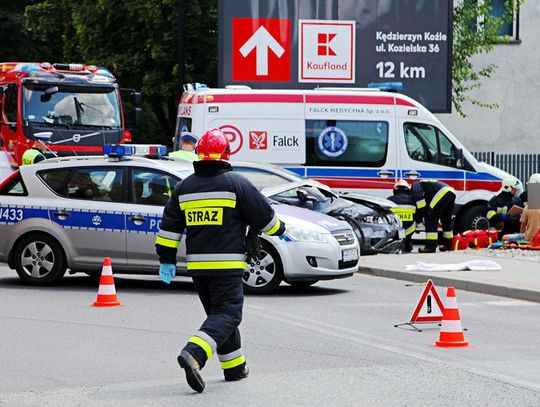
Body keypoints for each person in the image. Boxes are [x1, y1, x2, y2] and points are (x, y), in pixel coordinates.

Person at [155, 128, 286, 393]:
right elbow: (267, 220)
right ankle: (194, 354)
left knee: (219, 316)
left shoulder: (184, 187)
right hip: (226, 266)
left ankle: (234, 368)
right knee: (228, 314)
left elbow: (169, 228)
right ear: (226, 155)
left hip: (199, 268)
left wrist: (166, 259)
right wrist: (279, 229)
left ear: (199, 155)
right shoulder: (236, 183)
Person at [411, 180, 456, 253]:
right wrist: (419, 220)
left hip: (441, 193)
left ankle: (430, 247)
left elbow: (420, 201)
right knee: (446, 220)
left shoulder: (414, 185)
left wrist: (424, 216)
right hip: (451, 192)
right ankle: (448, 245)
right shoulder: (424, 185)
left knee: (430, 218)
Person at [387, 179, 416, 253]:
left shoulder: (389, 200)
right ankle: (407, 243)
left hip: (396, 227)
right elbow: (418, 215)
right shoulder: (413, 200)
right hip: (409, 228)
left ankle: (397, 244)